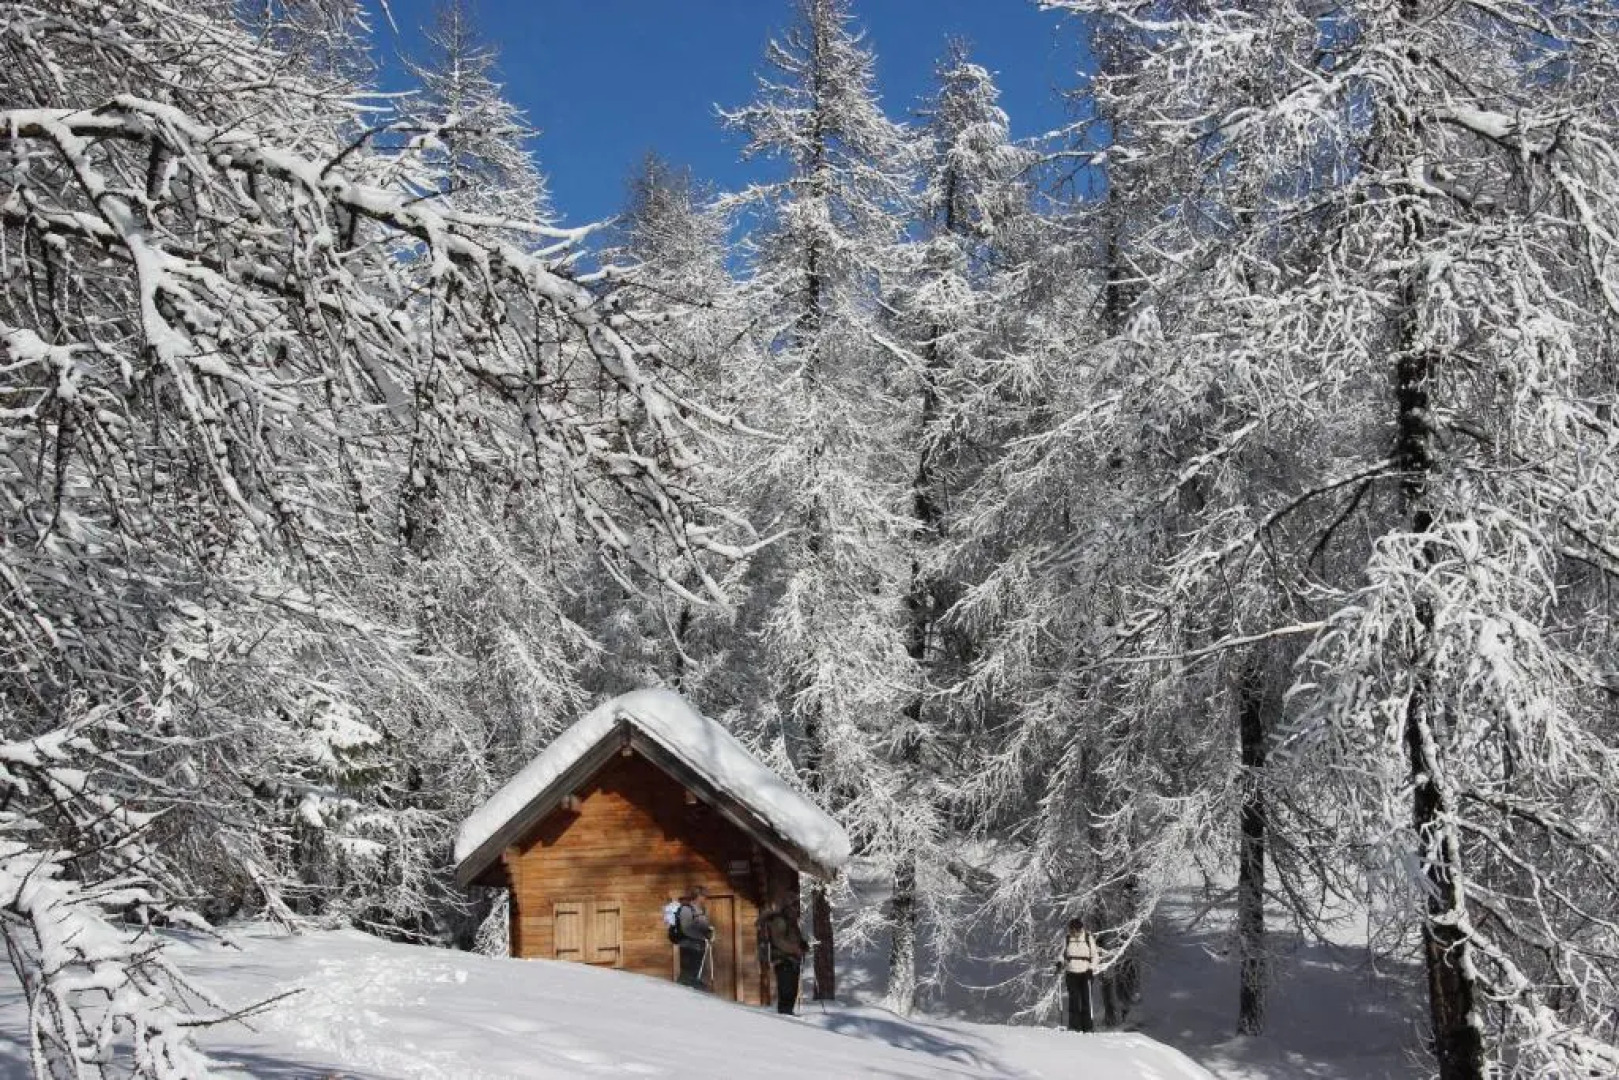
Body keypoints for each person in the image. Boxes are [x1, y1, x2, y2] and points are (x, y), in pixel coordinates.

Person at [756, 894, 807, 1015]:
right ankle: (785, 1018)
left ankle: (788, 1014)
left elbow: (793, 938)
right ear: (788, 907)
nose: (797, 908)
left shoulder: (792, 922)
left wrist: (802, 944)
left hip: (792, 960)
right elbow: (779, 941)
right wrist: (795, 949)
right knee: (786, 991)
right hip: (783, 960)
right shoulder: (780, 920)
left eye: (797, 905)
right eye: (795, 905)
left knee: (792, 991)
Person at [1061, 916, 1098, 1032]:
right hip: (1071, 973)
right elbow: (1062, 954)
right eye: (1071, 930)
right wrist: (1059, 963)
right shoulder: (1067, 938)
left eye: (1076, 930)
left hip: (1085, 973)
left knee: (1086, 1000)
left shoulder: (1088, 938)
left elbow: (1095, 956)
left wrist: (1091, 969)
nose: (1074, 932)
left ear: (1080, 929)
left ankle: (1087, 1027)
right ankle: (1074, 1026)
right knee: (1074, 1000)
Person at [674, 886, 714, 990]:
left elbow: (702, 925)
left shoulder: (700, 910)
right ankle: (681, 992)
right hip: (689, 944)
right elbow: (686, 928)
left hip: (699, 944)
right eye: (704, 896)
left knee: (695, 970)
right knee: (687, 972)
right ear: (698, 896)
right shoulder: (686, 909)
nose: (705, 898)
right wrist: (700, 932)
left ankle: (694, 989)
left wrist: (707, 931)